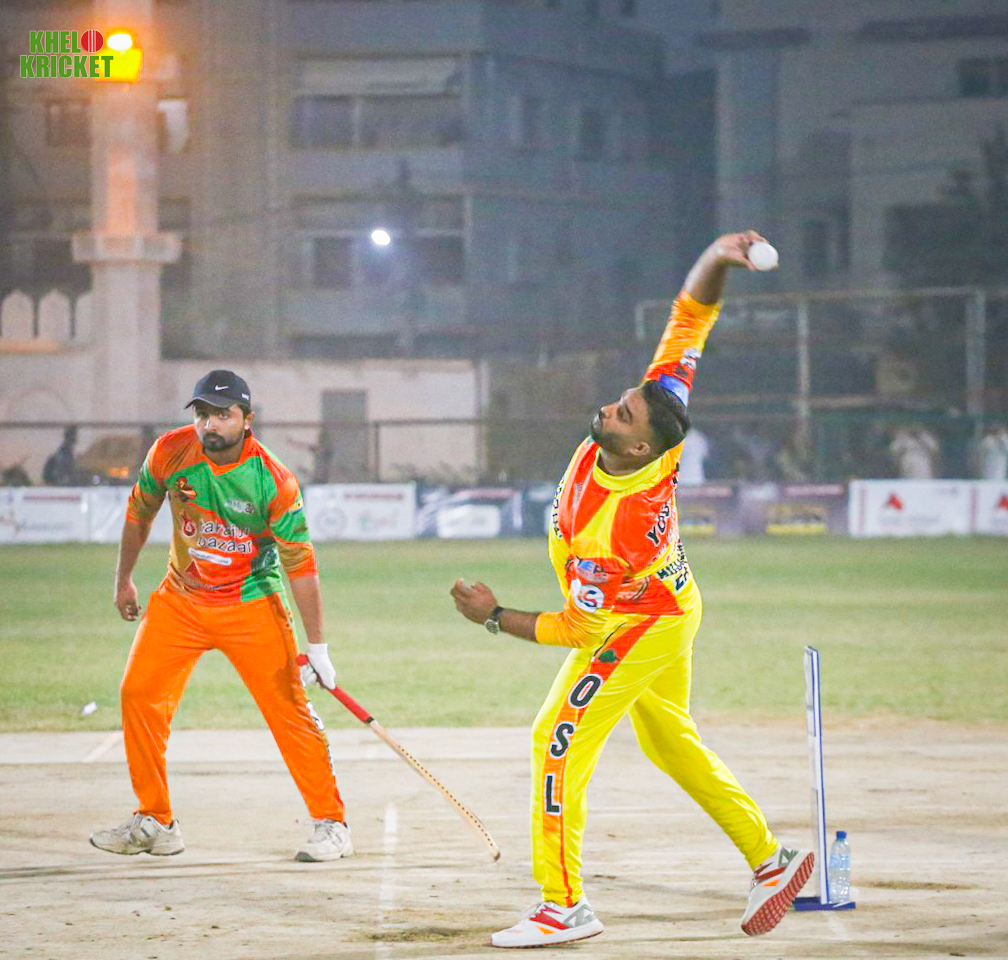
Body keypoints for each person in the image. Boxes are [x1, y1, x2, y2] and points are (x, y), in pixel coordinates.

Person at [450, 232, 813, 948]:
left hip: (636, 623)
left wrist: (493, 616)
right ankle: (771, 862)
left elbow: (579, 630)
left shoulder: (617, 528)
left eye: (622, 414)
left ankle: (564, 906)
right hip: (673, 606)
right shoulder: (660, 411)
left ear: (640, 447)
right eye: (619, 402)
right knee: (670, 742)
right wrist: (718, 257)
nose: (609, 410)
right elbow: (690, 322)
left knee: (556, 741)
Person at [90, 370, 351, 862]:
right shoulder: (170, 452)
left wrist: (317, 648)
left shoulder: (273, 480)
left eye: (223, 414)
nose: (210, 424)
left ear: (247, 420)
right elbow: (139, 512)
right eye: (203, 414)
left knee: (289, 712)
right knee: (138, 694)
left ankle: (331, 824)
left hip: (251, 603)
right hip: (181, 599)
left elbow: (300, 564)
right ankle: (156, 820)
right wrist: (123, 579)